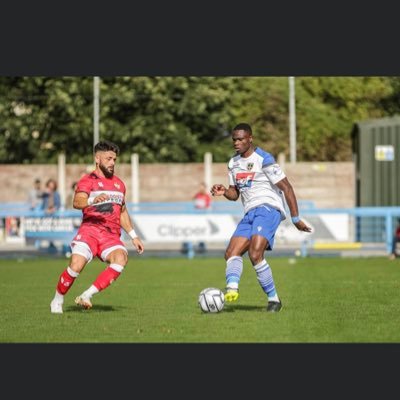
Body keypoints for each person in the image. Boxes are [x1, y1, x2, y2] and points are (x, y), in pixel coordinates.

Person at [211, 123, 312, 312]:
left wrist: (296, 218)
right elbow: (235, 194)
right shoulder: (233, 163)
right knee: (231, 253)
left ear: (250, 138)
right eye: (234, 139)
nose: (237, 142)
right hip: (250, 212)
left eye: (241, 139)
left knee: (255, 253)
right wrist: (224, 191)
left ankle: (273, 300)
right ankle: (232, 289)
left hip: (268, 208)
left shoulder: (264, 159)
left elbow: (287, 188)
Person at [50, 140, 145, 314]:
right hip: (90, 232)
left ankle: (87, 295)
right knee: (76, 265)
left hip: (110, 235)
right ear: (97, 158)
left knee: (121, 258)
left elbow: (122, 211)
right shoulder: (88, 180)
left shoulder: (119, 184)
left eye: (114, 159)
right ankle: (57, 299)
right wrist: (93, 200)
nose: (112, 163)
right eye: (108, 158)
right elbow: (77, 202)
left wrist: (134, 235)